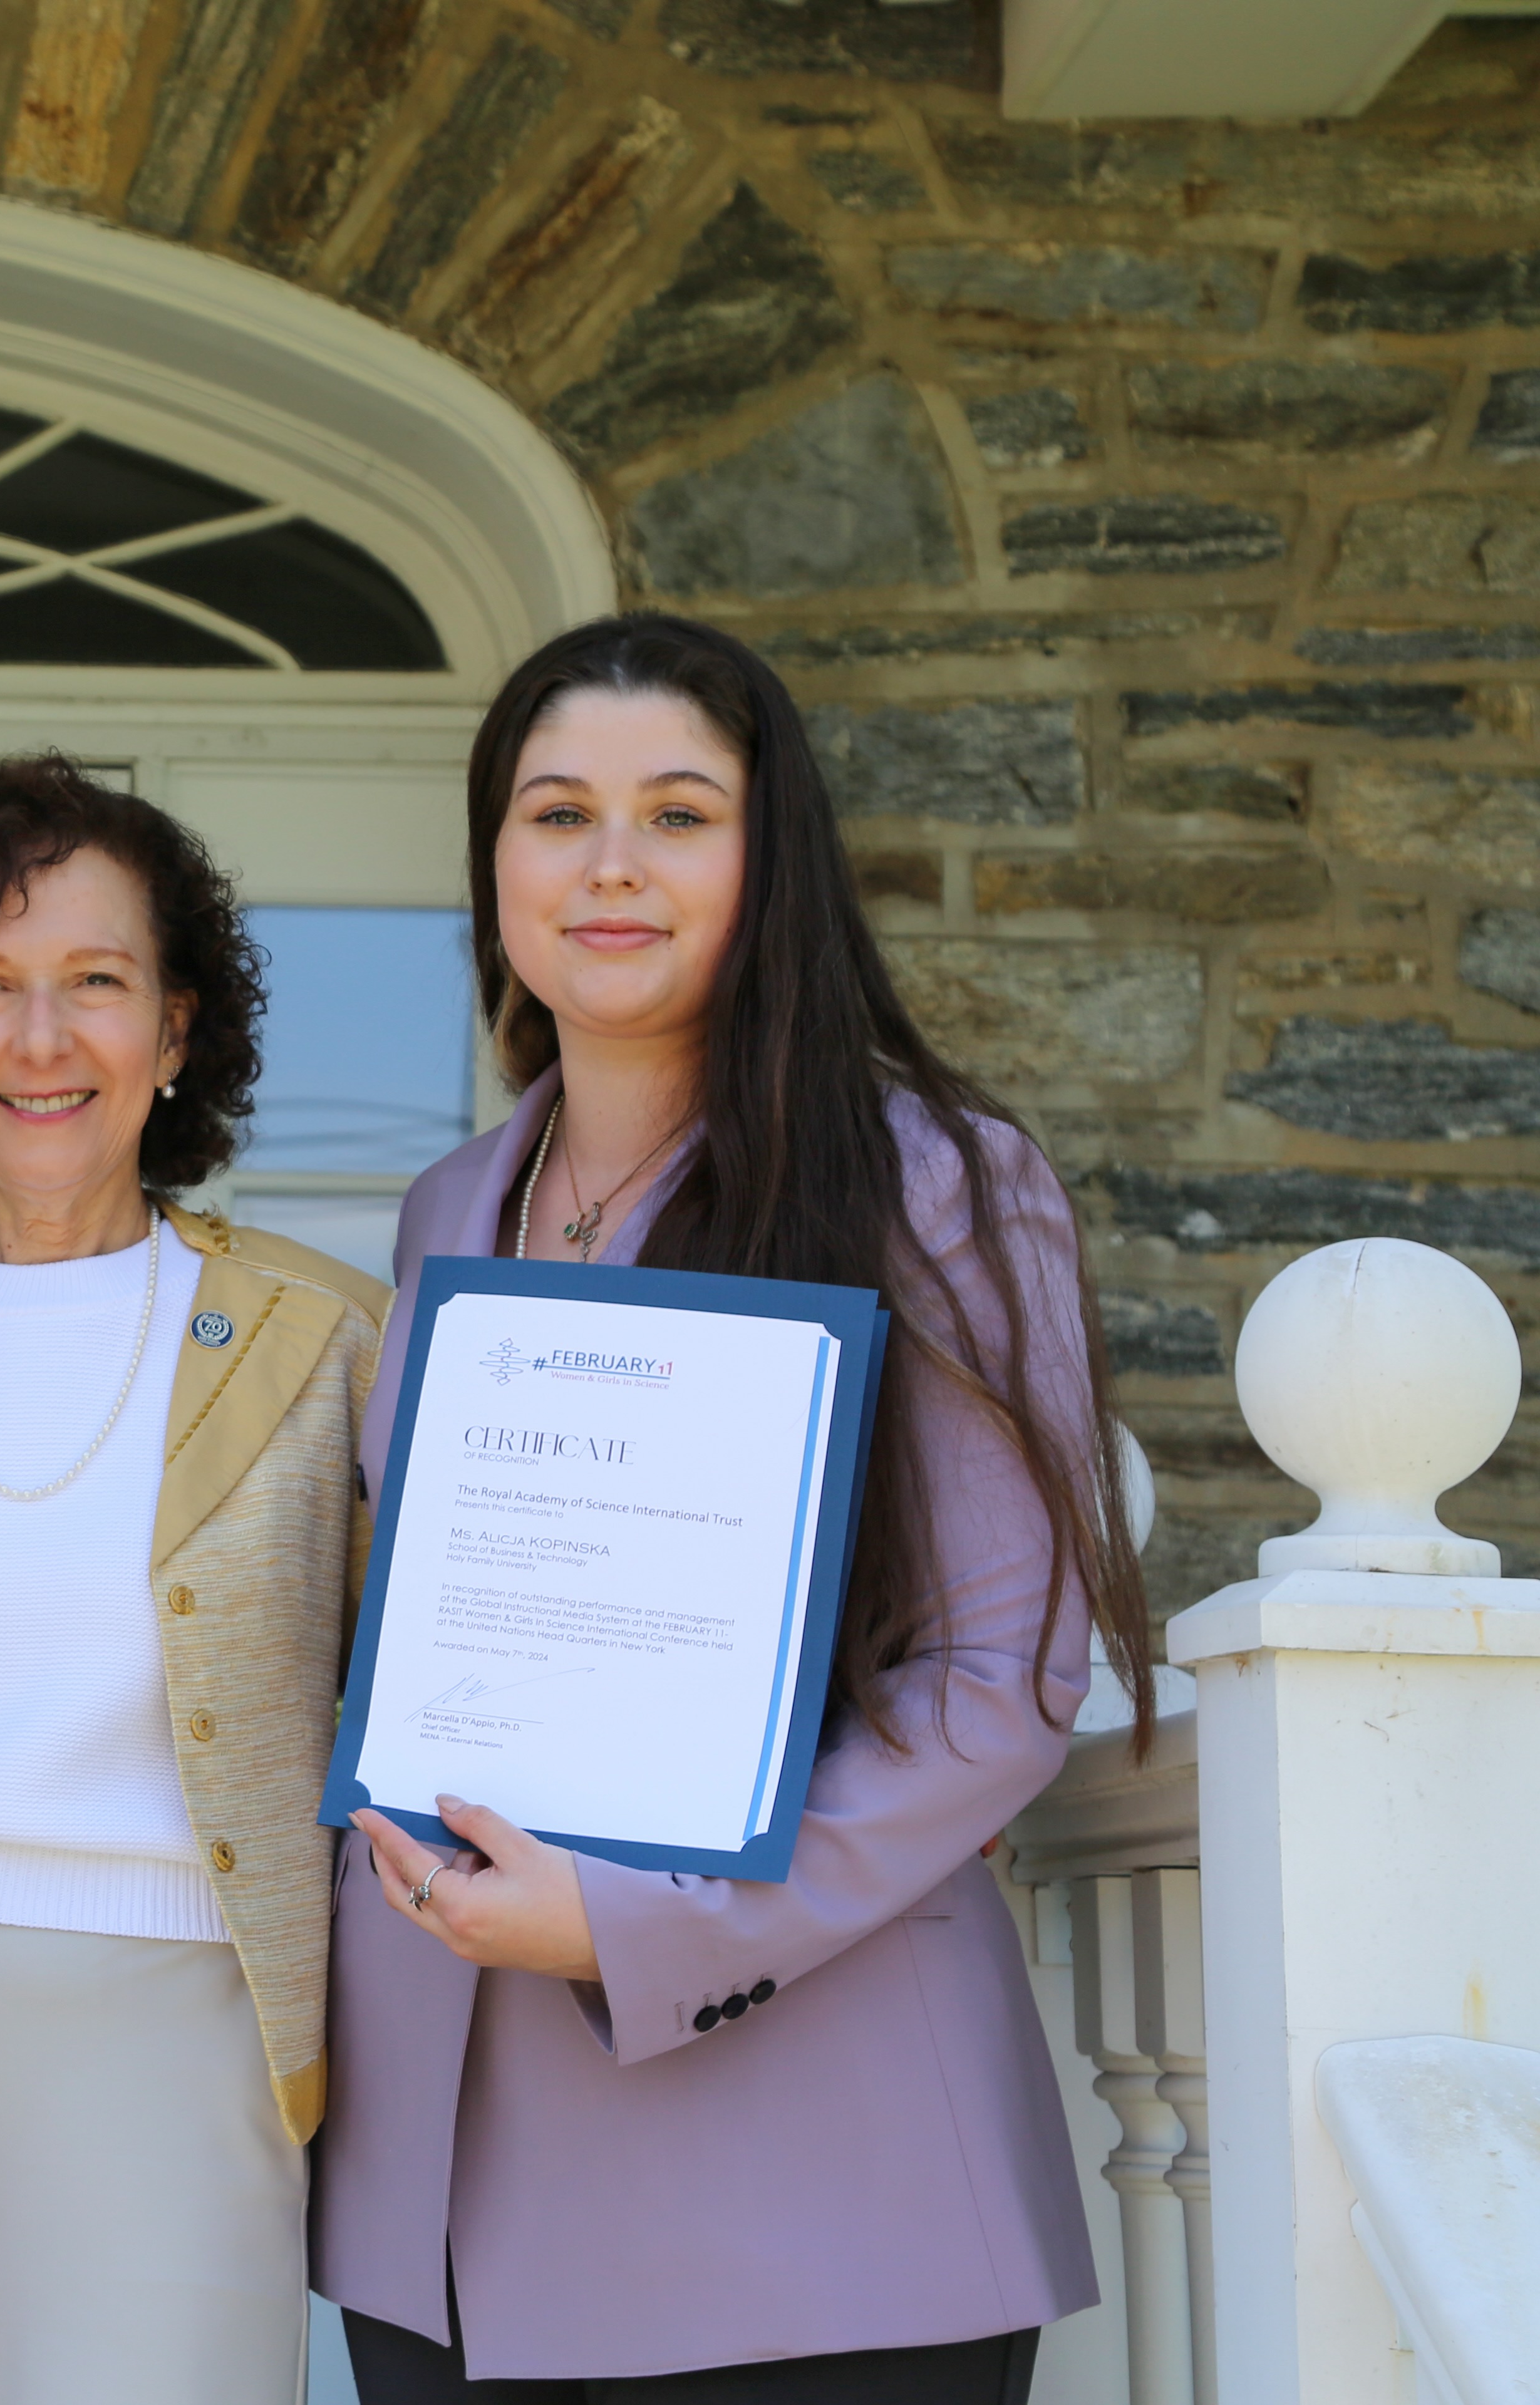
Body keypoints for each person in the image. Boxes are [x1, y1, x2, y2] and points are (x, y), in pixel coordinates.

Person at [316, 613, 1148, 2399]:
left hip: (816, 2194)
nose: (611, 864)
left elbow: (1001, 1684)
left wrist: (639, 1926)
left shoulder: (935, 1177)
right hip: (446, 2201)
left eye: (679, 814)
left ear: (772, 864)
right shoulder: (451, 1203)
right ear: (495, 862)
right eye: (557, 814)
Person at [0, 758, 385, 2405]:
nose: (41, 1044)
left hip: (187, 2029)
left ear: (178, 1029)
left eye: (96, 985)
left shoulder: (322, 1338)